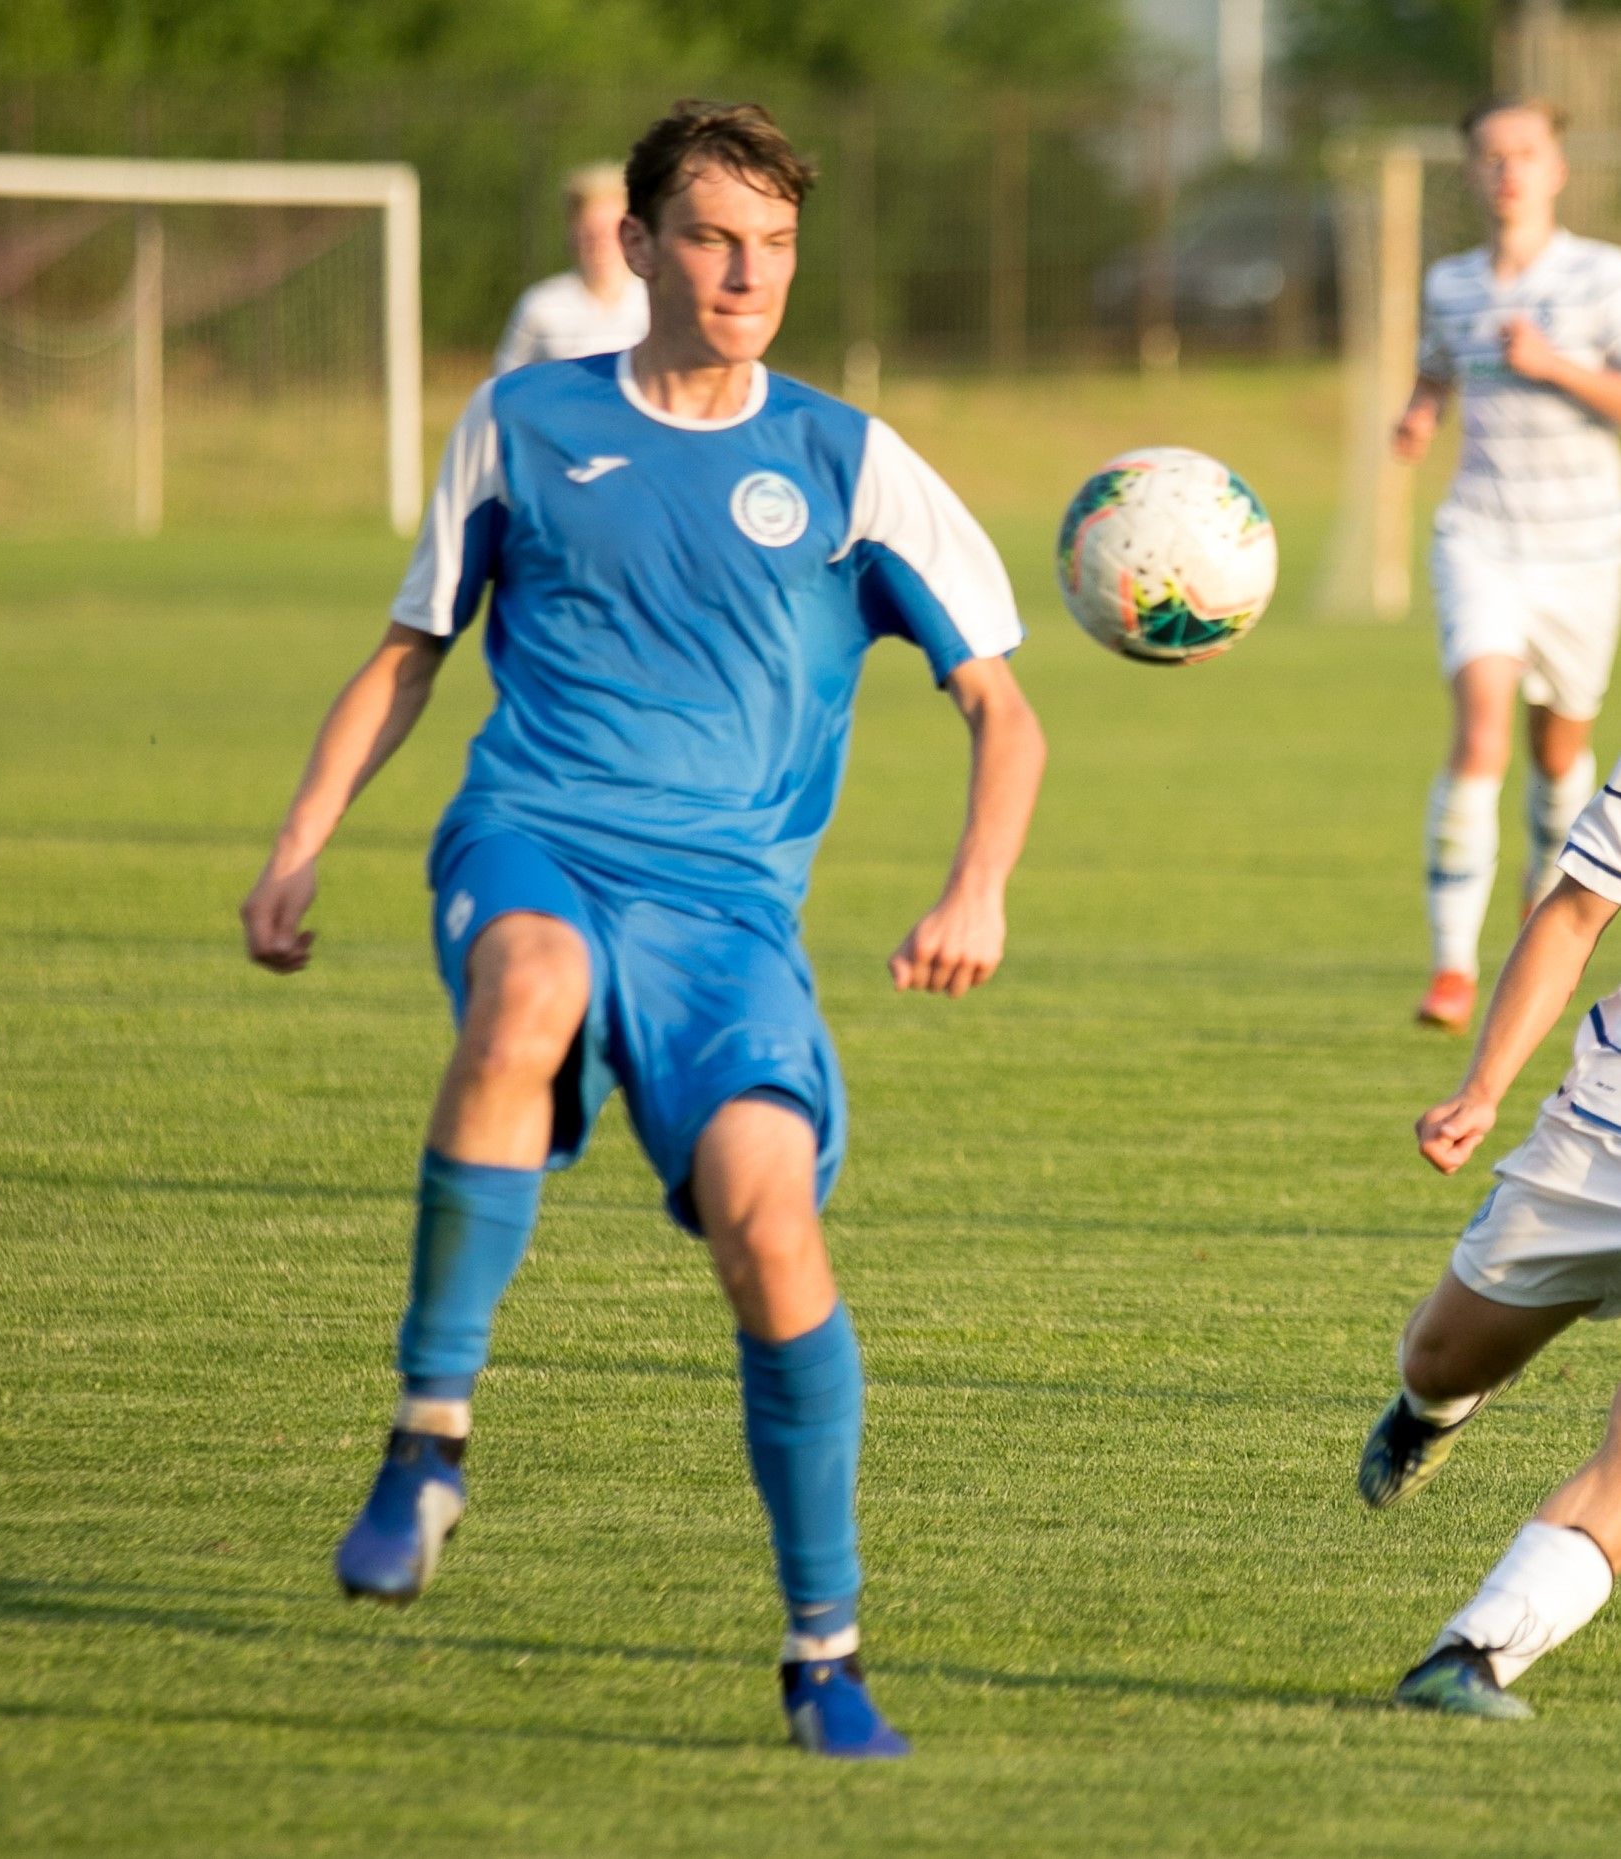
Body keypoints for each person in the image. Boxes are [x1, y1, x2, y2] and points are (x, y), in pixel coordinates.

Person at [240, 100, 1044, 1759]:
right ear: (632, 245)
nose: (745, 273)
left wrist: (977, 883)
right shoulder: (522, 419)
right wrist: (300, 842)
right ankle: (425, 1436)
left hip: (728, 912)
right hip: (532, 831)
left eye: (773, 245)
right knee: (527, 978)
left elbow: (1003, 711)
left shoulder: (844, 460)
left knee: (768, 1226)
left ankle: (821, 1650)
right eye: (709, 237)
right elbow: (412, 648)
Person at [1355, 772, 1621, 1717]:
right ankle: (1431, 1406)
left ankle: (1469, 1655)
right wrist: (1482, 1086)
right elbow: (1575, 911)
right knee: (1441, 1353)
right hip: (1600, 1143)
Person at [1395, 97, 1621, 1034]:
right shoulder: (1449, 284)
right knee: (1480, 729)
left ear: (1555, 168)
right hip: (1480, 535)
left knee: (1556, 748)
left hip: (1584, 547)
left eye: (1524, 154)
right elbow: (1436, 370)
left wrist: (1552, 366)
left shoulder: (1603, 277)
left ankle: (1541, 892)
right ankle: (1450, 965)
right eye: (1490, 156)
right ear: (1471, 172)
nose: (1508, 171)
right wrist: (1417, 413)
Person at [493, 163, 650, 374]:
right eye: (589, 232)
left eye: (610, 230)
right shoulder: (540, 306)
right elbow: (504, 384)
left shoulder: (656, 302)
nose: (600, 243)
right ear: (573, 233)